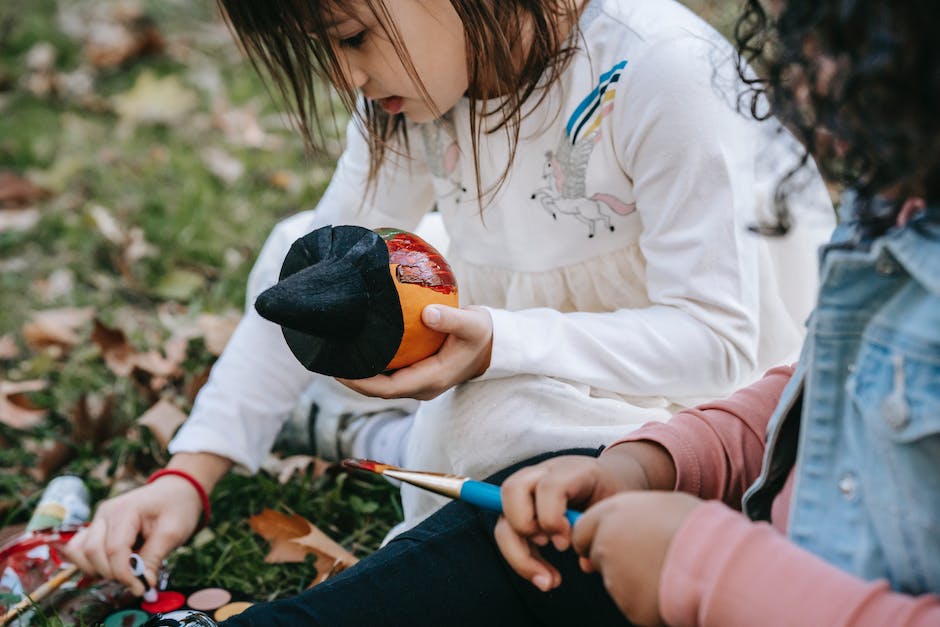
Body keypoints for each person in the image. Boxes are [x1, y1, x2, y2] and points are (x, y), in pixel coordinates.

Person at [65, 0, 835, 602]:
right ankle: (372, 429)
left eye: (353, 35)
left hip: (701, 421)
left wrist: (499, 343)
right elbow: (308, 285)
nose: (349, 79)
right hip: (543, 355)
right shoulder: (416, 97)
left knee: (476, 421)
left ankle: (384, 436)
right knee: (299, 253)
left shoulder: (660, 73)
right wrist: (186, 476)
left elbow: (720, 344)